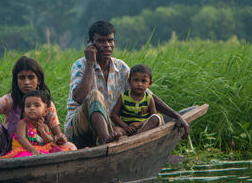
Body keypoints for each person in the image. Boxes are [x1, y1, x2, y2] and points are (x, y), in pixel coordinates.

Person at [64, 20, 189, 148]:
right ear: (90, 44)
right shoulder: (81, 65)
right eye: (101, 41)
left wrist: (177, 116)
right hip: (80, 130)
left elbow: (148, 95)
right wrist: (90, 62)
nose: (107, 45)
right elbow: (80, 98)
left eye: (110, 41)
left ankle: (115, 139)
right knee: (95, 95)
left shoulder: (121, 67)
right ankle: (105, 140)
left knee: (156, 118)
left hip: (113, 129)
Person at [0, 56, 70, 160]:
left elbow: (57, 134)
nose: (26, 82)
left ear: (39, 80)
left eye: (31, 77)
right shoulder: (10, 99)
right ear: (16, 80)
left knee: (70, 147)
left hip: (40, 149)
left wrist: (59, 137)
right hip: (10, 147)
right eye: (22, 78)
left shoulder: (46, 103)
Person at [0, 90, 77, 158]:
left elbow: (49, 141)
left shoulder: (44, 126)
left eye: (37, 105)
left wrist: (42, 131)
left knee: (59, 149)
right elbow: (21, 139)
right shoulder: (23, 123)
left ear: (45, 112)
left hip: (40, 151)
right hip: (24, 150)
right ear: (24, 110)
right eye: (28, 106)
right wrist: (33, 150)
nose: (32, 108)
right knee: (27, 156)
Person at [111, 64, 164, 136]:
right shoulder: (124, 96)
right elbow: (114, 115)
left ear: (150, 83)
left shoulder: (149, 98)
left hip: (143, 128)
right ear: (129, 81)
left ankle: (138, 135)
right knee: (116, 130)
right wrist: (125, 127)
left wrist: (140, 124)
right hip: (127, 129)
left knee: (156, 118)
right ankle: (126, 138)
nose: (139, 84)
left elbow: (152, 117)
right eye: (136, 80)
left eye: (143, 81)